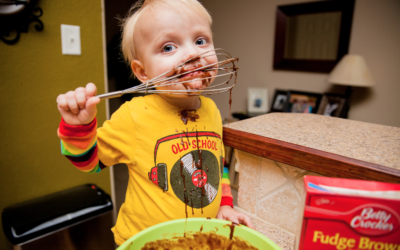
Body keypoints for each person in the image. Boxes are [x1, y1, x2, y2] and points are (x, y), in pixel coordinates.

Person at [56, 0, 253, 246]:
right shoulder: (133, 116)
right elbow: (90, 163)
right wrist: (78, 128)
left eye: (201, 41)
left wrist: (225, 204)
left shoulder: (211, 110)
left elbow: (218, 166)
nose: (193, 54)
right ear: (143, 73)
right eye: (168, 47)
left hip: (199, 238)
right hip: (144, 242)